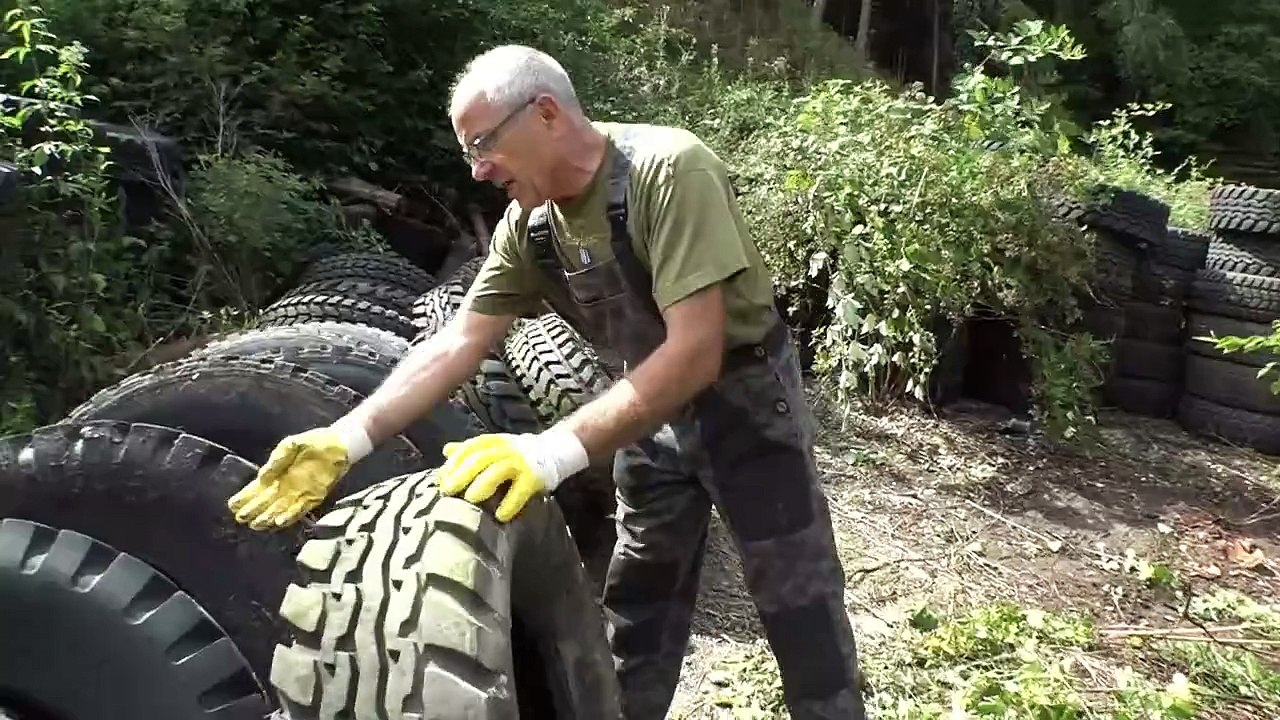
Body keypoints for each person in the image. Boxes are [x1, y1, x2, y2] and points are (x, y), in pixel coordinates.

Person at [227, 44, 867, 720]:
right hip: (647, 407)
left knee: (798, 601)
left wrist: (548, 453)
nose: (477, 170)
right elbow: (461, 342)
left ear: (547, 113)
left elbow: (696, 351)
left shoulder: (668, 170)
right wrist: (348, 437)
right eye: (468, 153)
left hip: (745, 406)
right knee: (638, 600)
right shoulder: (530, 227)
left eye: (483, 144)